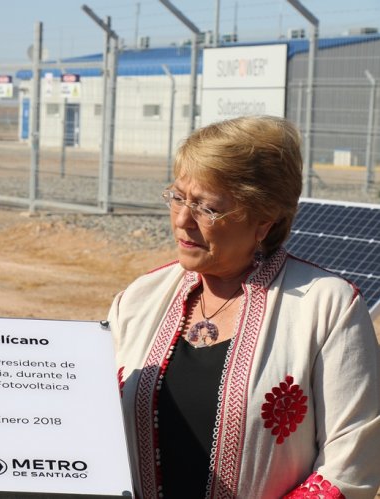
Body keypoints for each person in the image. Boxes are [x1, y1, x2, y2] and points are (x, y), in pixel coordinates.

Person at [108, 116, 380, 498]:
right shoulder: (140, 298)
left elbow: (352, 463)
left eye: (207, 208)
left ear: (264, 221)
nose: (184, 220)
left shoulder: (328, 307)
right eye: (179, 197)